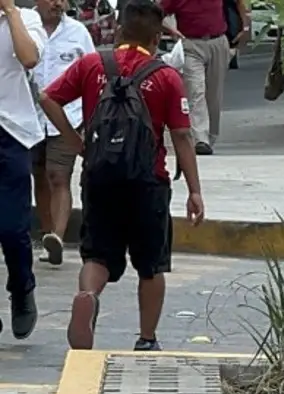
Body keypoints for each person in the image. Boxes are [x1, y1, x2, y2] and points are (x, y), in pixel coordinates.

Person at [39, 0, 205, 351]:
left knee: (97, 255)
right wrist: (194, 190)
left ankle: (87, 295)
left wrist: (74, 140)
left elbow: (48, 97)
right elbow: (182, 136)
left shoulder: (91, 64)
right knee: (151, 264)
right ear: (156, 37)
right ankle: (147, 338)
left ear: (120, 29)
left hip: (99, 176)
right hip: (148, 182)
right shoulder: (166, 77)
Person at [31, 0, 95, 266]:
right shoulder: (22, 25)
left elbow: (94, 72)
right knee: (39, 176)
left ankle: (56, 236)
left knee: (59, 175)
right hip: (28, 118)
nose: (59, 3)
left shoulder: (78, 32)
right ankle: (48, 235)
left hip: (67, 118)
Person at [0, 0, 46, 339]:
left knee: (12, 228)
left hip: (11, 133)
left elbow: (29, 58)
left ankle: (22, 287)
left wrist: (11, 12)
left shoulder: (26, 19)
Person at [160, 0, 246, 155]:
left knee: (214, 93)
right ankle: (200, 139)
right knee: (195, 90)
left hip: (218, 41)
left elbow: (239, 2)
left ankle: (210, 136)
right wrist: (171, 29)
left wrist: (245, 27)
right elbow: (156, 13)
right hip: (190, 43)